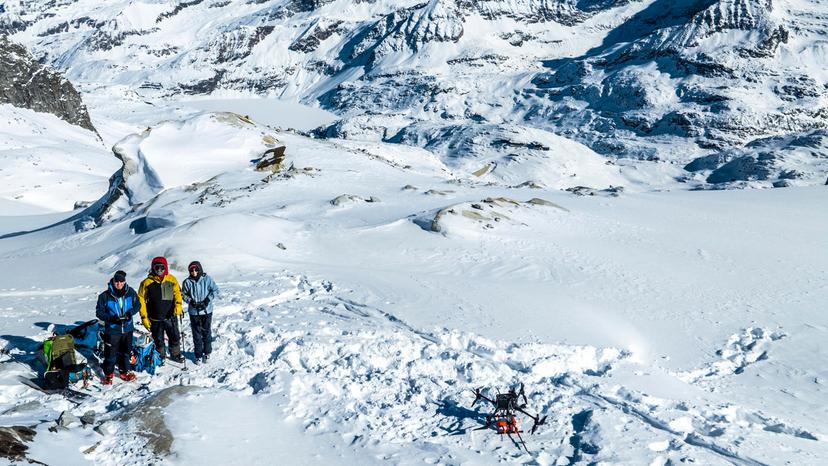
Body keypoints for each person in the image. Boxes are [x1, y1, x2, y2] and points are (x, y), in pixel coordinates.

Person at [95, 270, 140, 385]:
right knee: (110, 354)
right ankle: (108, 375)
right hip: (112, 329)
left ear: (124, 282)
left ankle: (124, 372)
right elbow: (99, 313)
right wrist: (111, 318)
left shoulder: (131, 292)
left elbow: (137, 305)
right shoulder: (104, 296)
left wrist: (130, 313)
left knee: (126, 352)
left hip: (128, 329)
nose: (119, 284)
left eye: (121, 281)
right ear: (113, 281)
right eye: (116, 281)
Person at [137, 256, 185, 363]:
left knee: (174, 337)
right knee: (158, 339)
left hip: (170, 316)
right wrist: (144, 317)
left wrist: (178, 306)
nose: (159, 270)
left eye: (162, 267)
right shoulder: (146, 283)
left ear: (166, 268)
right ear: (153, 268)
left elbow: (177, 293)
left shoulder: (171, 280)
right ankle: (160, 356)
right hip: (154, 317)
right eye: (156, 267)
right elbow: (141, 300)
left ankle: (175, 354)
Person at [181, 261, 219, 364]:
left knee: (206, 332)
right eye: (191, 270)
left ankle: (207, 352)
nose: (194, 272)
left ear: (200, 269)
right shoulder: (187, 282)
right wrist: (191, 301)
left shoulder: (207, 279)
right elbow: (183, 294)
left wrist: (207, 300)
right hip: (194, 312)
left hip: (206, 311)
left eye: (196, 269)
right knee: (196, 334)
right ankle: (198, 354)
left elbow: (215, 290)